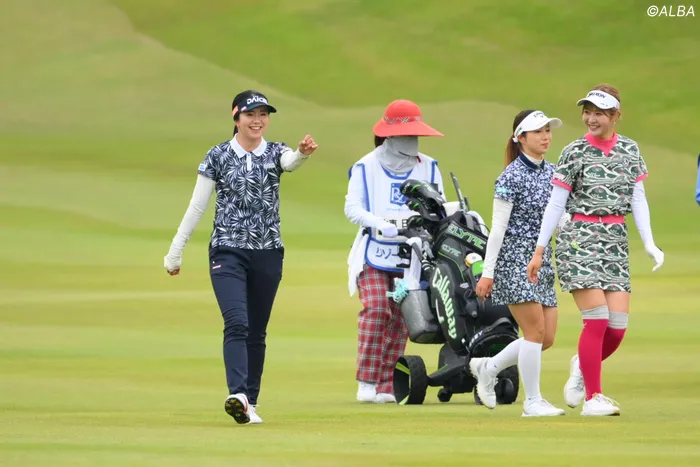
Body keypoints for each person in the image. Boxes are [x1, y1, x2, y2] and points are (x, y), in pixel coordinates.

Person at [163, 90, 318, 425]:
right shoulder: (218, 155)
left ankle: (251, 401)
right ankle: (238, 395)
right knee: (236, 322)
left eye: (263, 114)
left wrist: (302, 154)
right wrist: (176, 250)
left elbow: (289, 162)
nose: (257, 121)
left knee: (256, 331)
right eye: (250, 114)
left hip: (268, 252)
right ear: (236, 118)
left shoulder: (275, 151)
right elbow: (197, 206)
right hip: (227, 250)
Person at [527, 84, 664, 416]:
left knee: (617, 328)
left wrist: (649, 243)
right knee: (597, 321)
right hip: (578, 238)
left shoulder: (630, 150)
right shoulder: (574, 151)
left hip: (615, 240)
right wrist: (540, 249)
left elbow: (638, 199)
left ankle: (582, 366)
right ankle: (593, 398)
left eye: (599, 113)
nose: (591, 118)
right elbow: (556, 203)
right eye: (587, 112)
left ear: (616, 115)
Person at [345, 99, 445, 403]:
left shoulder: (429, 167)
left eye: (415, 134)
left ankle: (387, 384)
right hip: (374, 253)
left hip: (412, 257)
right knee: (377, 310)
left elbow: (439, 208)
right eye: (405, 135)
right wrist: (379, 223)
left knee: (402, 319)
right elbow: (352, 208)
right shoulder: (365, 166)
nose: (412, 140)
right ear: (388, 135)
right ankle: (367, 381)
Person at [470, 110, 567, 417]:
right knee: (534, 333)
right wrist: (488, 273)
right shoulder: (509, 177)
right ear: (520, 137)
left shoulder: (554, 172)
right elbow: (498, 229)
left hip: (542, 260)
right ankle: (532, 402)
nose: (546, 136)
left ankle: (488, 368)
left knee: (545, 338)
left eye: (548, 130)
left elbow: (559, 217)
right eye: (538, 131)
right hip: (513, 260)